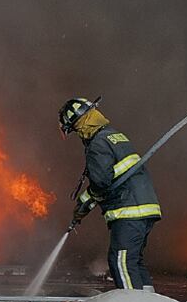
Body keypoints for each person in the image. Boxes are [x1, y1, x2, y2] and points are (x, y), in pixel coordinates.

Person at [59, 97, 161, 290]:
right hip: (144, 206)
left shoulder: (97, 144)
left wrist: (83, 205)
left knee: (121, 262)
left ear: (80, 124)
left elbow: (101, 183)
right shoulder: (114, 136)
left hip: (129, 210)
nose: (78, 134)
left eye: (74, 129)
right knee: (135, 263)